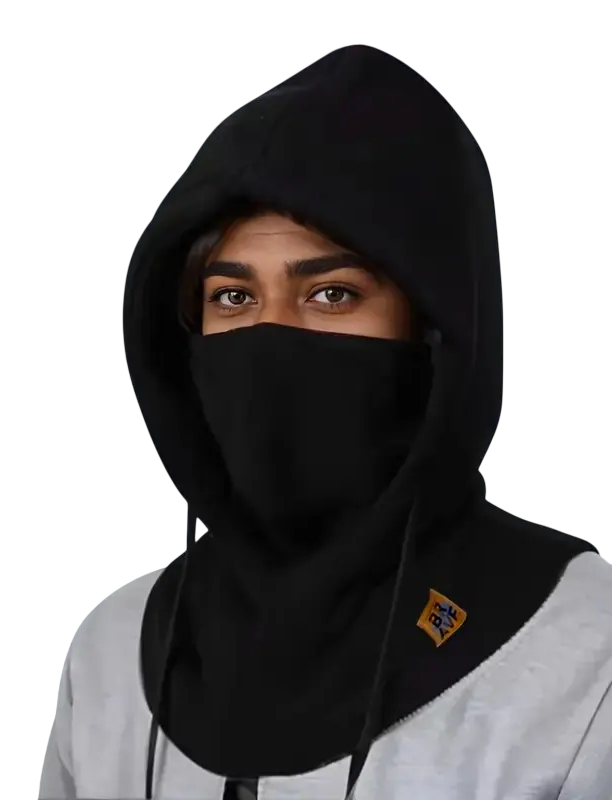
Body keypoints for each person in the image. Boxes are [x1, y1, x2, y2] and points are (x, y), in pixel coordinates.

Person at [39, 44, 612, 800]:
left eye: (332, 295)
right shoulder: (114, 652)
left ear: (436, 335)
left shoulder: (586, 657)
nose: (270, 340)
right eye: (233, 298)